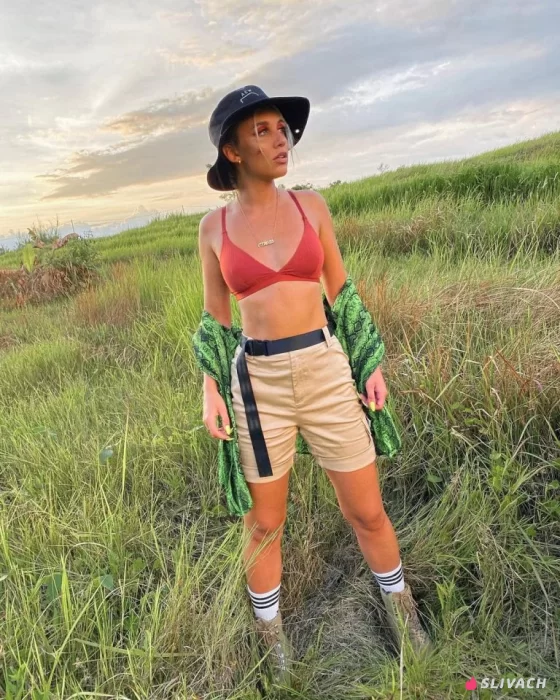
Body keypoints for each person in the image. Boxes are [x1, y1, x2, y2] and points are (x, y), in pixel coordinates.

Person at [197, 85, 431, 686]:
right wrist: (211, 388)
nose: (281, 139)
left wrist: (369, 361)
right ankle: (272, 642)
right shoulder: (212, 228)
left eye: (283, 128)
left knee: (367, 510)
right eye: (263, 131)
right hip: (258, 384)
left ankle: (402, 611)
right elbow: (216, 320)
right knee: (264, 523)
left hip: (326, 370)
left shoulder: (312, 208)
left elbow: (341, 291)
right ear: (232, 150)